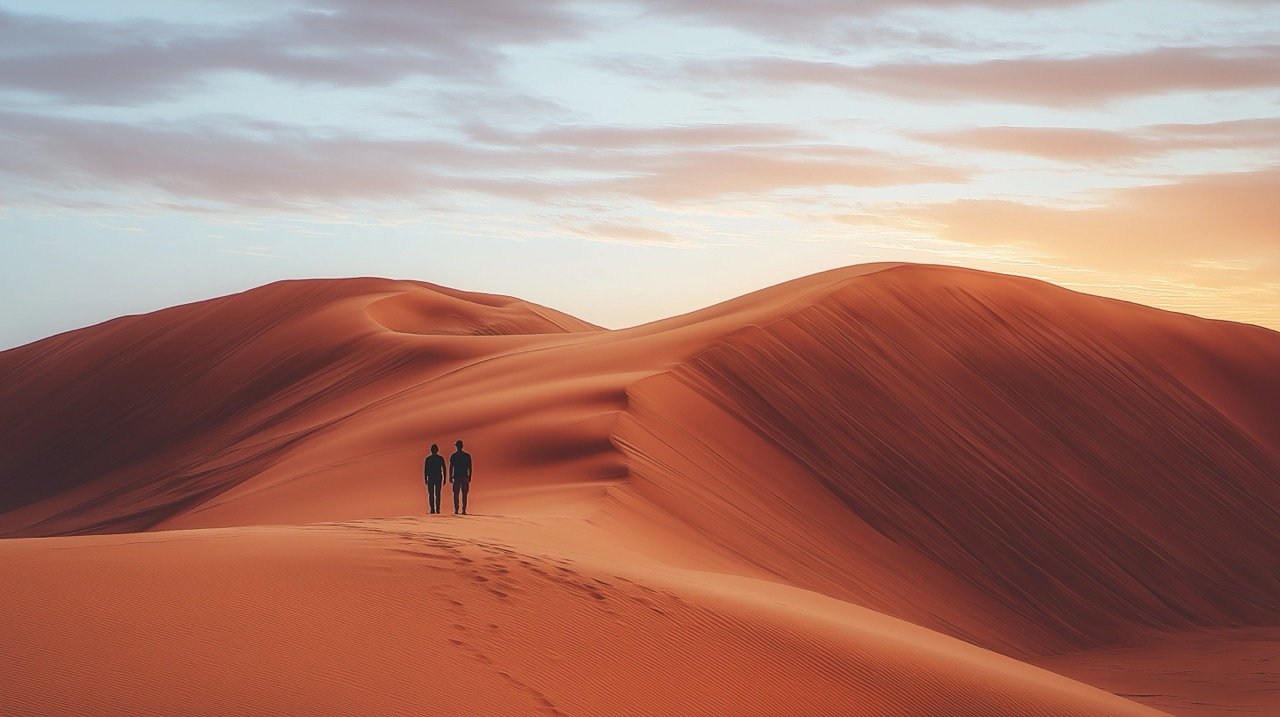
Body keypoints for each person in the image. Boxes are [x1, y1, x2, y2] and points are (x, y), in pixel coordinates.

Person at [449, 439, 473, 515]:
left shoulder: (454, 456)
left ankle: (457, 509)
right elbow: (470, 467)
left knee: (457, 493)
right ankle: (463, 510)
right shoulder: (467, 456)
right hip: (464, 477)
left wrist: (450, 476)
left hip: (457, 477)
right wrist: (470, 476)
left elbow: (451, 467)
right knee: (464, 493)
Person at [423, 443, 445, 514]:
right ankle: (436, 509)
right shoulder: (440, 458)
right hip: (437, 478)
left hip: (432, 478)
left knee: (432, 494)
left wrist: (425, 478)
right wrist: (444, 478)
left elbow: (425, 469)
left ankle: (433, 509)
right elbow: (444, 468)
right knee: (437, 494)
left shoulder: (428, 459)